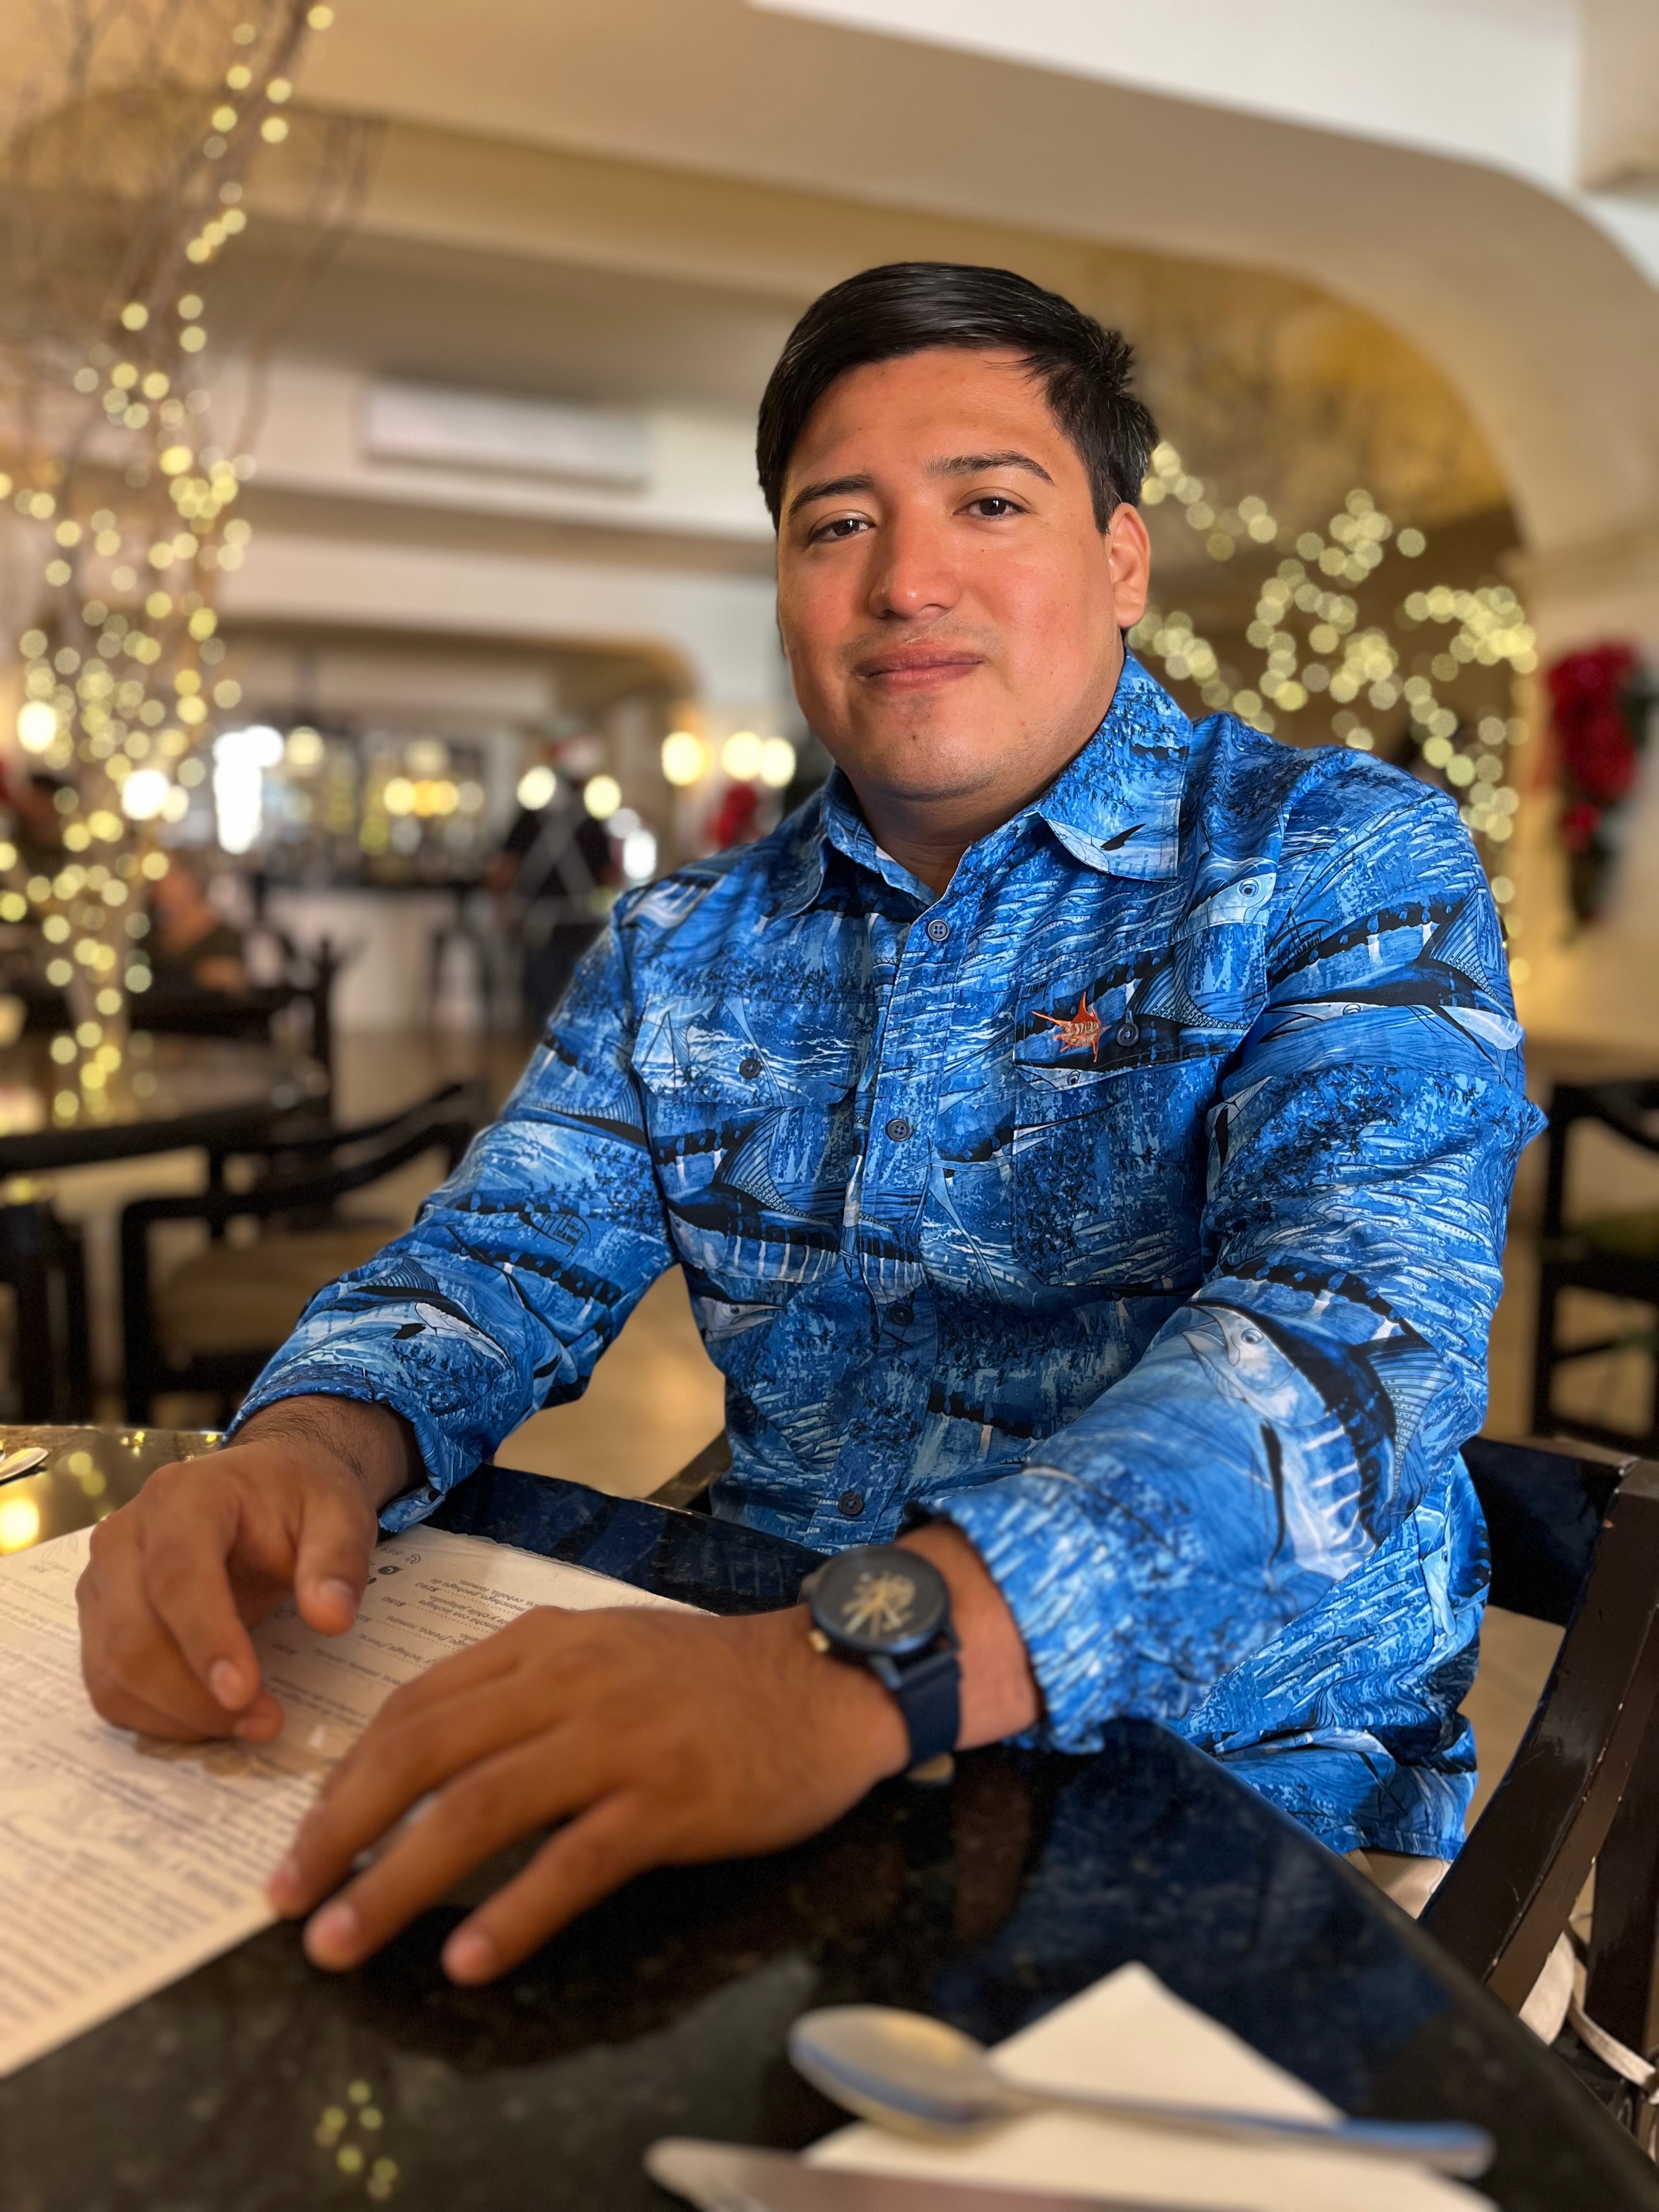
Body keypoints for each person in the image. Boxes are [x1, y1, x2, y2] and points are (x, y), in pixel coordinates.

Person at [76, 263, 1539, 1986]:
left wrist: (857, 1663)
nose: (907, 581)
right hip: (771, 1736)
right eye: (837, 525)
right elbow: (494, 1261)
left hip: (1247, 1788)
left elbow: (1351, 1336)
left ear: (1122, 558)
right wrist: (303, 1455)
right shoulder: (685, 944)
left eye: (990, 503)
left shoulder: (1336, 859)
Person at [489, 762, 614, 1031]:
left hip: (541, 928)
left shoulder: (527, 821)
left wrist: (503, 909)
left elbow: (503, 872)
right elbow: (611, 876)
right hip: (580, 926)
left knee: (543, 1007)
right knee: (580, 1003)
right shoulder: (592, 822)